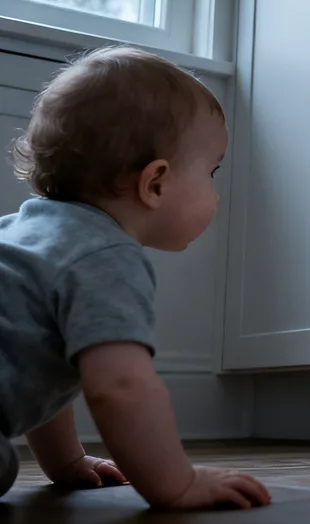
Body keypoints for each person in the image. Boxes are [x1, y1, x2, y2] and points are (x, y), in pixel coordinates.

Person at [0, 47, 270, 510]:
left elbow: (43, 373)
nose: (216, 192)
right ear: (156, 183)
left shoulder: (21, 235)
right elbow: (119, 386)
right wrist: (176, 483)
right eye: (212, 171)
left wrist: (66, 464)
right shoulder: (103, 257)